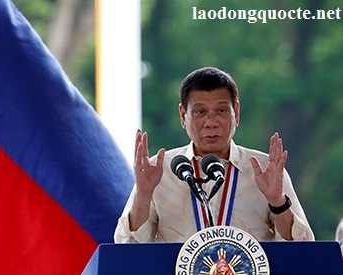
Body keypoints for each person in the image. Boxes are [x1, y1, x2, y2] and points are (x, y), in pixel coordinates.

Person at [114, 66, 314, 243]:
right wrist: (143, 194)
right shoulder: (159, 171)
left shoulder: (264, 169)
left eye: (221, 110)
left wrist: (277, 201)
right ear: (184, 116)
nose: (211, 122)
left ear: (236, 112)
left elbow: (302, 247)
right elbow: (128, 246)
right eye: (200, 112)